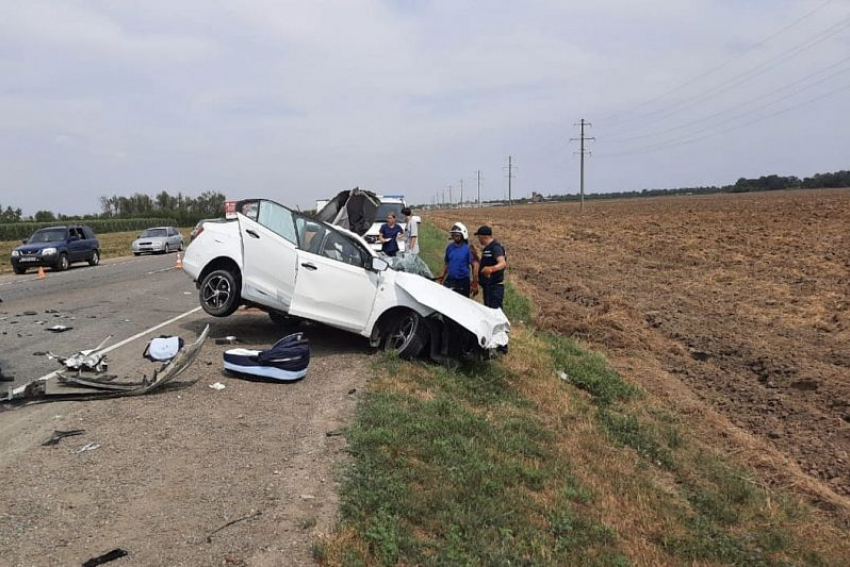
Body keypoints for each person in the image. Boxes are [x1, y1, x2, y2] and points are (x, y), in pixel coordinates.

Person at [437, 222, 479, 297]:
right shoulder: (449, 247)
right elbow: (446, 264)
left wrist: (475, 283)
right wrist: (441, 278)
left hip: (463, 281)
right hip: (450, 279)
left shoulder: (469, 248)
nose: (455, 236)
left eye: (457, 234)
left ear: (463, 235)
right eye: (453, 234)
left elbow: (475, 266)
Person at [475, 225, 507, 310]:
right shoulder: (488, 248)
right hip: (488, 286)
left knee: (495, 312)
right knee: (489, 311)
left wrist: (491, 269)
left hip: (495, 287)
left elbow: (502, 263)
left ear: (484, 236)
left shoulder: (495, 247)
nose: (478, 239)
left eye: (478, 236)